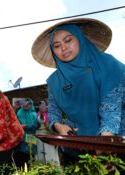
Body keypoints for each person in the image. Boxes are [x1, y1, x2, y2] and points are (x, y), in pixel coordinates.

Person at [31, 18, 125, 161]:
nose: (63, 48)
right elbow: (53, 111)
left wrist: (104, 149)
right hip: (76, 146)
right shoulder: (54, 81)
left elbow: (110, 110)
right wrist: (58, 126)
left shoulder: (108, 65)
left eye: (68, 40)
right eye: (56, 45)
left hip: (115, 145)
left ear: (80, 39)